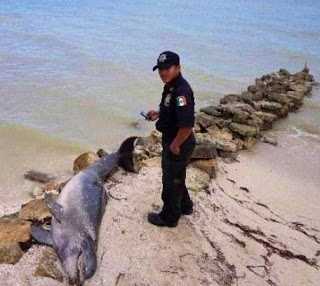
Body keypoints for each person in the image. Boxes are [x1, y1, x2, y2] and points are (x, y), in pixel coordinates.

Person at [146, 51, 196, 228]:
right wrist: (158, 114)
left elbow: (187, 125)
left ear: (178, 68)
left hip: (179, 142)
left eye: (167, 68)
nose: (163, 73)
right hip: (174, 139)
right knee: (177, 176)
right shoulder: (171, 87)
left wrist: (175, 146)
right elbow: (172, 111)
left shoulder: (182, 91)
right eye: (160, 69)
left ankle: (169, 217)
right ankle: (185, 206)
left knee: (170, 180)